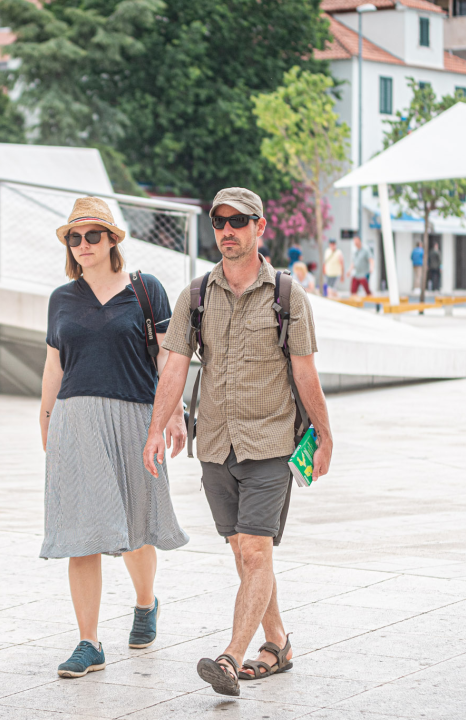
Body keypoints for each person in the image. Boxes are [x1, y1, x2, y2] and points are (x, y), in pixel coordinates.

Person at [142, 187, 333, 697]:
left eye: (238, 221)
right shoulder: (196, 295)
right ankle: (277, 643)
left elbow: (305, 370)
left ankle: (230, 657)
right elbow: (175, 366)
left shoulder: (287, 297)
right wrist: (157, 428)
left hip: (270, 442)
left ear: (259, 227)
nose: (227, 230)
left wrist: (326, 434)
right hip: (216, 446)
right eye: (219, 221)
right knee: (247, 554)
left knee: (253, 551)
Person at [40, 197, 189, 679]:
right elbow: (54, 365)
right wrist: (46, 420)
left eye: (93, 236)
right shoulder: (61, 298)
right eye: (74, 238)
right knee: (82, 531)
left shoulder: (146, 291)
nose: (83, 245)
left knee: (134, 527)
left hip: (135, 418)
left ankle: (146, 603)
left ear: (111, 240)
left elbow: (169, 359)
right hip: (76, 420)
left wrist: (174, 414)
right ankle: (89, 642)